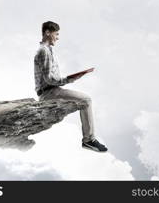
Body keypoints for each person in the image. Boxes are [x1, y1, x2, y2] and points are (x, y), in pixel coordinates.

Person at [34, 21, 108, 152]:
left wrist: (71, 78)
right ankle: (88, 140)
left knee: (85, 99)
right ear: (47, 32)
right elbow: (49, 79)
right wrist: (70, 79)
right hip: (49, 93)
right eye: (56, 34)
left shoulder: (48, 50)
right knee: (86, 100)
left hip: (54, 90)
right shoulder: (43, 51)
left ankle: (89, 139)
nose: (58, 37)